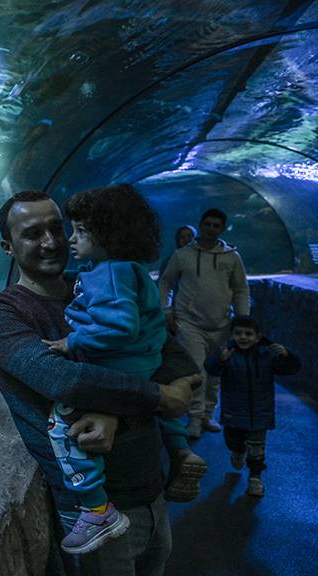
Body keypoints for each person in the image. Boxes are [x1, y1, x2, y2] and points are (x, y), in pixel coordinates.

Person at [0, 190, 200, 575]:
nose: (51, 242)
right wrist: (157, 395)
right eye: (32, 234)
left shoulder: (100, 280)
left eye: (57, 229)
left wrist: (121, 405)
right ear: (7, 246)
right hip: (92, 509)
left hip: (151, 486)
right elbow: (63, 379)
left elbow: (173, 353)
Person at [40, 185, 206, 555]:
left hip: (117, 367)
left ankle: (96, 508)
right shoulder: (131, 271)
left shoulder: (108, 273)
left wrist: (73, 343)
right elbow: (157, 331)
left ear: (108, 235)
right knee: (163, 406)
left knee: (61, 426)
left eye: (81, 231)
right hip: (145, 364)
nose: (71, 239)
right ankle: (179, 449)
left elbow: (120, 327)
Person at [158, 208, 250, 438]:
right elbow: (165, 282)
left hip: (221, 324)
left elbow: (240, 289)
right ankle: (195, 418)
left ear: (222, 228)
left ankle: (209, 414)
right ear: (200, 225)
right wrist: (166, 309)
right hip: (190, 323)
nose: (210, 229)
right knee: (198, 370)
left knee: (216, 372)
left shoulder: (232, 257)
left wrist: (242, 319)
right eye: (207, 224)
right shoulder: (183, 255)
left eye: (216, 225)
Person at [204, 316, 301, 497]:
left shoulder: (268, 355)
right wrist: (221, 360)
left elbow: (291, 368)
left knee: (257, 447)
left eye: (248, 334)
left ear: (257, 337)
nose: (243, 337)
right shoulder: (227, 352)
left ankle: (255, 478)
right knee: (233, 441)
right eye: (238, 333)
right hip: (234, 411)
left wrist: (288, 355)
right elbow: (211, 368)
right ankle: (237, 452)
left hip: (260, 412)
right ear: (232, 335)